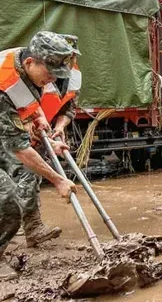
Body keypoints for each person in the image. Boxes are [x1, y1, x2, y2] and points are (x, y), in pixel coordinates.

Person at [0, 31, 78, 280]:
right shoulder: (4, 84)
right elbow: (20, 149)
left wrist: (40, 120)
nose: (53, 79)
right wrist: (58, 180)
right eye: (50, 72)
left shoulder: (21, 63)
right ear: (30, 62)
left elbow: (24, 105)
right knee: (8, 201)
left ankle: (31, 229)